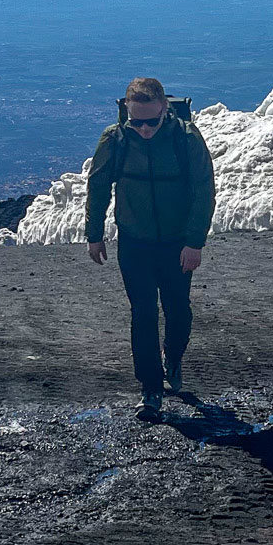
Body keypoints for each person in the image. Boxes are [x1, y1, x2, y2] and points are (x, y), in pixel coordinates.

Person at [85, 77, 216, 417]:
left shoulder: (185, 140)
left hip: (176, 245)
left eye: (151, 121)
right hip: (134, 243)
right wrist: (94, 234)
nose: (144, 129)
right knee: (142, 313)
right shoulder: (115, 141)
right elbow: (98, 186)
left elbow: (204, 190)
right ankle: (151, 389)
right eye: (136, 121)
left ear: (165, 111)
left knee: (178, 311)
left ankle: (172, 358)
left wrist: (194, 242)